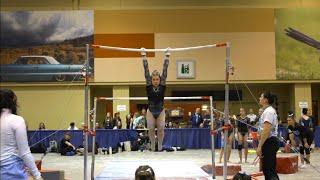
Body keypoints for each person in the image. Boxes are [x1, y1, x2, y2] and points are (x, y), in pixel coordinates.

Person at [0, 89, 42, 180]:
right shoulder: (16, 120)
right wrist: (37, 176)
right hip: (10, 170)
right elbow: (25, 153)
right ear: (13, 101)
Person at [143, 50, 169, 151]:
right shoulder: (149, 85)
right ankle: (153, 145)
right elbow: (146, 70)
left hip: (161, 110)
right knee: (151, 129)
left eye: (157, 79)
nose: (155, 81)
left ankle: (160, 145)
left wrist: (167, 57)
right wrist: (144, 57)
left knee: (161, 128)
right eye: (153, 79)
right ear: (151, 79)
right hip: (151, 111)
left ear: (160, 79)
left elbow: (165, 70)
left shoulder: (162, 85)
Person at [257, 91, 279, 180]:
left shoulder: (268, 112)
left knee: (269, 171)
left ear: (265, 100)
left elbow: (266, 130)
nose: (259, 98)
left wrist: (259, 146)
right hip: (269, 142)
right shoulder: (267, 111)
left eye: (260, 97)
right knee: (267, 169)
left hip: (269, 142)